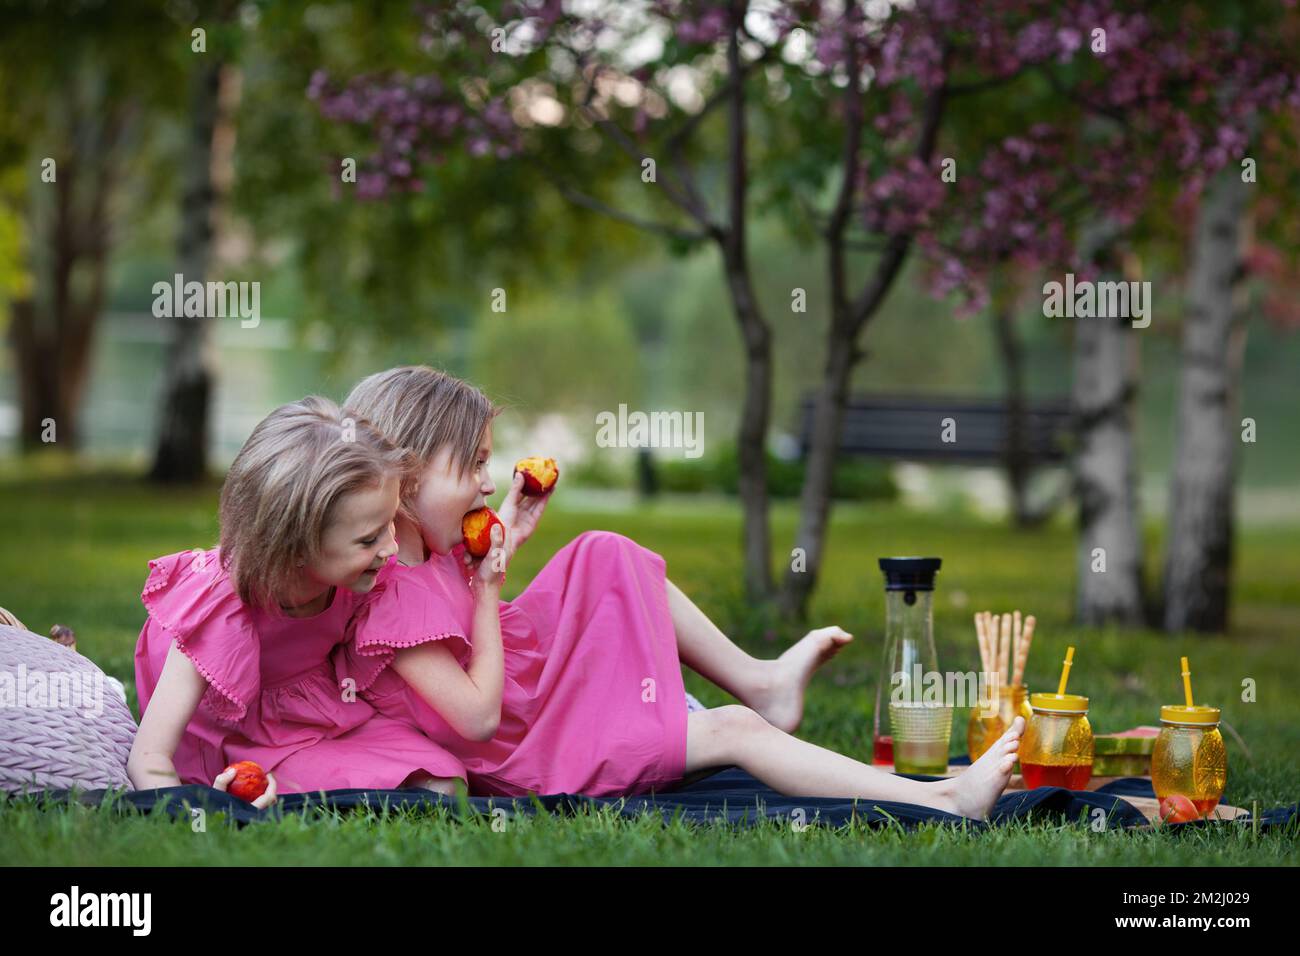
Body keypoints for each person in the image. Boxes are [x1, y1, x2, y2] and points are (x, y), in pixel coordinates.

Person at [339, 367, 1022, 818]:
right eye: (475, 465)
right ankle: (947, 800)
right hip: (534, 749)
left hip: (529, 694)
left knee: (605, 552)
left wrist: (504, 543)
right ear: (405, 475)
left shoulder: (426, 551)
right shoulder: (391, 599)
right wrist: (487, 582)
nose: (489, 483)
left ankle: (760, 680)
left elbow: (461, 603)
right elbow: (473, 718)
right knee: (732, 733)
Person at [128, 397, 468, 808]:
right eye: (368, 538)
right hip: (228, 723)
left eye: (390, 524)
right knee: (383, 794)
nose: (391, 548)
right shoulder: (220, 608)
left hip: (309, 712)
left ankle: (314, 774)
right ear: (295, 545)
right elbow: (148, 757)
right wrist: (199, 812)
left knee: (441, 782)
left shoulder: (356, 577)